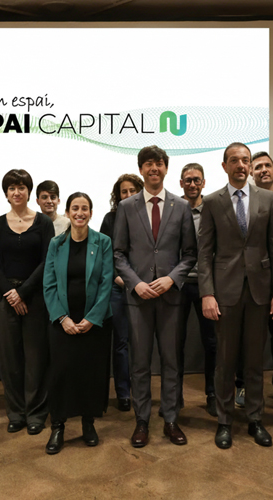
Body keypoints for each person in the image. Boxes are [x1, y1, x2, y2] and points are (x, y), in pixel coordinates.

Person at [199, 142, 273, 449]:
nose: (241, 164)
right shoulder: (211, 201)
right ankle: (224, 422)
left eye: (245, 160)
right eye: (234, 160)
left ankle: (255, 419)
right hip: (225, 292)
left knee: (254, 359)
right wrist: (207, 294)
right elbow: (205, 253)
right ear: (224, 166)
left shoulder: (268, 199)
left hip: (260, 291)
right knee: (225, 359)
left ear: (250, 166)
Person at [114, 145, 197, 448]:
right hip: (138, 298)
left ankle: (171, 420)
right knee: (139, 363)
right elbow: (119, 254)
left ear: (166, 168)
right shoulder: (127, 207)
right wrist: (135, 284)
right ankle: (142, 420)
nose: (154, 168)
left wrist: (171, 279)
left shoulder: (181, 207)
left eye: (159, 163)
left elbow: (189, 255)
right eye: (148, 164)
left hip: (170, 297)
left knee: (171, 362)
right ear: (141, 169)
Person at [43, 192, 114, 454]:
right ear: (68, 212)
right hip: (63, 321)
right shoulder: (56, 244)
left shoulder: (103, 242)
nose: (80, 213)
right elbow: (48, 284)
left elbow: (107, 284)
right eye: (75, 208)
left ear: (91, 213)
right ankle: (58, 426)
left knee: (90, 373)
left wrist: (91, 319)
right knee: (61, 373)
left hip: (92, 323)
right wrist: (62, 318)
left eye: (85, 208)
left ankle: (88, 423)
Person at [0, 169, 54, 435]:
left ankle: (36, 413)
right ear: (6, 194)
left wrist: (23, 292)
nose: (17, 192)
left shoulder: (43, 223)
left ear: (29, 192)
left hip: (35, 297)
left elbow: (47, 260)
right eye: (12, 188)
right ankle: (15, 412)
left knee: (36, 358)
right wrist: (10, 293)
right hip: (5, 299)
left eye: (22, 187)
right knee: (9, 360)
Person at [237, 151, 273, 404]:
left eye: (267, 165)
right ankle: (244, 385)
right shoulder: (242, 201)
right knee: (247, 337)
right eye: (257, 167)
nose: (263, 170)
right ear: (250, 173)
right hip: (250, 281)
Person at [176, 164, 218, 416]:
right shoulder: (173, 209)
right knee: (174, 343)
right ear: (181, 183)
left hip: (208, 286)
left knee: (212, 343)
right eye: (188, 180)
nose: (192, 184)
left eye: (197, 180)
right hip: (178, 286)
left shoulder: (213, 208)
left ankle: (212, 394)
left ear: (203, 183)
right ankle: (175, 395)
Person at [99, 174, 143, 411]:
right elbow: (104, 253)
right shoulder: (110, 218)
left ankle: (141, 392)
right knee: (121, 344)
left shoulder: (148, 216)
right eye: (123, 192)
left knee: (142, 343)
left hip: (144, 289)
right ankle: (123, 393)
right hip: (117, 288)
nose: (128, 195)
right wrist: (120, 278)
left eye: (132, 191)